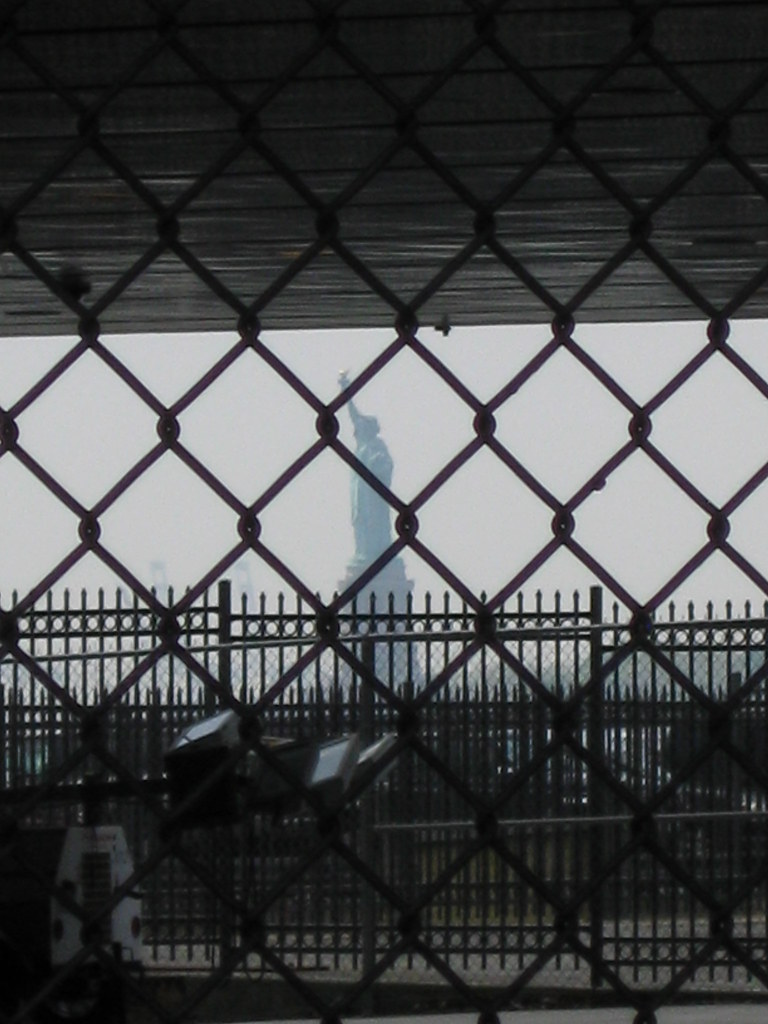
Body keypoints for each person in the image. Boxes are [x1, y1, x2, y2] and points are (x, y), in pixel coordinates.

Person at [339, 371, 394, 565]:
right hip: (360, 494)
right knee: (359, 521)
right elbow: (353, 414)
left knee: (374, 524)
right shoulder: (362, 446)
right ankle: (363, 552)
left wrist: (377, 464)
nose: (357, 429)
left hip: (374, 497)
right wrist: (345, 390)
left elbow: (386, 466)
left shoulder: (377, 447)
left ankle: (375, 554)